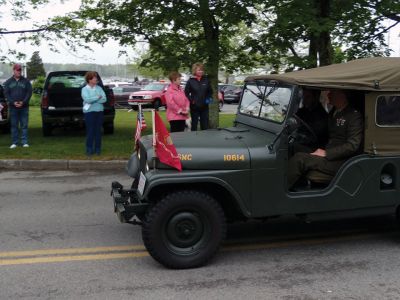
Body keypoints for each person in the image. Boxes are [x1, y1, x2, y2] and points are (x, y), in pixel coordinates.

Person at [288, 89, 363, 189]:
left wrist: (327, 153)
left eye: (332, 92)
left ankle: (278, 191)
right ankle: (296, 184)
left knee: (299, 159)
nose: (328, 94)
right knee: (292, 147)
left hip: (340, 161)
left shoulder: (353, 116)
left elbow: (352, 145)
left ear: (342, 95)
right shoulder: (334, 111)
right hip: (327, 151)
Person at [3, 63, 32, 148]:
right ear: (14, 70)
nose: (19, 71)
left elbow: (29, 92)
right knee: (14, 125)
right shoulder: (8, 82)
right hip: (13, 107)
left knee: (24, 125)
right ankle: (14, 143)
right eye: (18, 70)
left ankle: (24, 142)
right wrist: (12, 102)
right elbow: (6, 94)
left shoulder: (26, 81)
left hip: (24, 107)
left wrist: (24, 102)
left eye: (20, 70)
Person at [293, 89, 328, 153]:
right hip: (302, 140)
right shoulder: (304, 110)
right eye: (303, 97)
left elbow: (315, 136)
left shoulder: (322, 115)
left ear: (316, 97)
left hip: (314, 147)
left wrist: (299, 137)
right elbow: (295, 118)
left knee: (291, 146)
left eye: (308, 97)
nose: (304, 100)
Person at [81, 71, 107, 156]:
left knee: (98, 131)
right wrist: (97, 97)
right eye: (94, 77)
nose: (96, 79)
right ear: (89, 79)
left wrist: (93, 99)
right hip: (89, 113)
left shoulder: (99, 88)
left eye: (96, 77)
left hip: (99, 112)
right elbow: (87, 100)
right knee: (90, 131)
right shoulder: (84, 89)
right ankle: (89, 149)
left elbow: (104, 99)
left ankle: (98, 149)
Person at [184, 62, 213, 131]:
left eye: (202, 70)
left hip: (204, 107)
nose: (201, 71)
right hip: (194, 107)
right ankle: (194, 139)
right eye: (199, 70)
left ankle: (204, 139)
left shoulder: (206, 80)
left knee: (205, 125)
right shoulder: (190, 81)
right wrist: (192, 101)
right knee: (194, 125)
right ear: (195, 71)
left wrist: (208, 101)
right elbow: (186, 93)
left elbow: (210, 92)